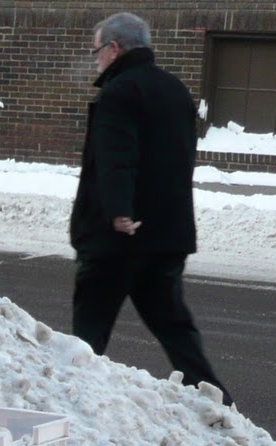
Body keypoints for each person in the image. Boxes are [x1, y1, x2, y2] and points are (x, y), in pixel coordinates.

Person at [70, 12, 232, 405]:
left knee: (88, 336)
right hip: (166, 236)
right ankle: (219, 403)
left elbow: (115, 157)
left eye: (97, 51)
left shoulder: (119, 93)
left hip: (117, 241)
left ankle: (74, 400)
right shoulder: (174, 89)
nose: (96, 59)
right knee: (175, 329)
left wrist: (118, 211)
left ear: (114, 48)